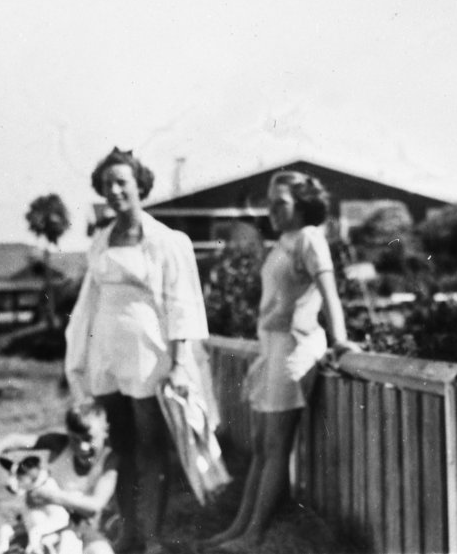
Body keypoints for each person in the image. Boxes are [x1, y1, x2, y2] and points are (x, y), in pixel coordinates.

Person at [204, 170, 359, 551]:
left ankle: (253, 536)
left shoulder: (309, 238)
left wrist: (339, 341)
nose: (271, 209)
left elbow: (330, 295)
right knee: (262, 445)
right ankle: (239, 528)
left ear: (302, 204)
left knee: (275, 446)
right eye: (269, 201)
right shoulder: (285, 241)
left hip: (294, 348)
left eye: (281, 202)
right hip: (270, 348)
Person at [64, 147, 209, 554]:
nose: (113, 191)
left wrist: (180, 362)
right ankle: (128, 529)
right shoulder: (100, 242)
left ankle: (152, 536)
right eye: (107, 184)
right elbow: (89, 303)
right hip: (107, 356)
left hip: (148, 354)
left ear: (139, 185)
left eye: (121, 182)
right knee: (118, 448)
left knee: (150, 447)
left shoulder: (166, 240)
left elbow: (182, 303)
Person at [0, 404, 118, 554]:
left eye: (88, 438)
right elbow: (15, 440)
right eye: (74, 439)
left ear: (105, 431)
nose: (82, 447)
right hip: (43, 522)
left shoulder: (109, 459)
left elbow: (95, 506)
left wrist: (50, 496)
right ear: (67, 432)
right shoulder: (60, 443)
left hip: (80, 527)